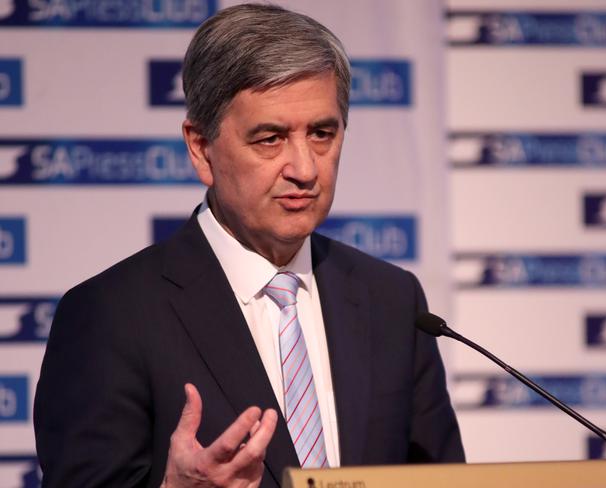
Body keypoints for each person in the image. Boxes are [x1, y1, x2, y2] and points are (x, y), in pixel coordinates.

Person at [34, 4, 464, 487]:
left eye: (322, 133)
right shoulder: (110, 315)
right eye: (270, 138)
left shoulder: (392, 299)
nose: (304, 168)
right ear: (201, 148)